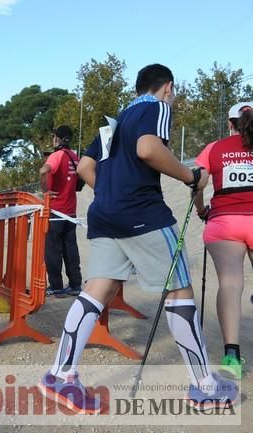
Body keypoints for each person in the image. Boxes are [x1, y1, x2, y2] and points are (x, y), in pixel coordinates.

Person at [38, 64, 237, 413]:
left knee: (97, 290)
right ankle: (205, 385)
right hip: (143, 213)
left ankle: (59, 375)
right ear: (168, 87)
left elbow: (86, 168)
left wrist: (113, 194)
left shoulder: (113, 122)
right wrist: (190, 176)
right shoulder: (157, 106)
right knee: (179, 291)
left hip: (105, 213)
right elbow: (148, 149)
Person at [194, 101, 253, 379]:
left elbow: (199, 183)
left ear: (230, 123)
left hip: (224, 223)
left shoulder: (214, 148)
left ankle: (232, 356)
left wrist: (200, 209)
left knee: (231, 284)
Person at [39, 125, 83, 298]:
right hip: (71, 211)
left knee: (52, 250)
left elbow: (44, 170)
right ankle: (75, 285)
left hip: (56, 210)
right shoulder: (75, 156)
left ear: (56, 138)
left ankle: (56, 286)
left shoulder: (56, 156)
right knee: (70, 249)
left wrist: (45, 190)